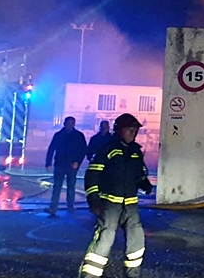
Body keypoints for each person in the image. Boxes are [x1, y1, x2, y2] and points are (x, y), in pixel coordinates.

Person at [80, 113, 154, 278]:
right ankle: (89, 276)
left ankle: (132, 274)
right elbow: (93, 174)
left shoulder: (135, 152)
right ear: (118, 130)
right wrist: (93, 198)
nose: (132, 133)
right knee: (105, 239)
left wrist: (145, 183)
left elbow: (139, 174)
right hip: (109, 204)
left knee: (137, 239)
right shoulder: (108, 149)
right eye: (129, 129)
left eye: (135, 130)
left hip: (130, 205)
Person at [45, 116, 87, 217]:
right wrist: (48, 163)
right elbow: (51, 149)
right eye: (68, 123)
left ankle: (68, 206)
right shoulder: (60, 135)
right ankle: (55, 207)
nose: (69, 125)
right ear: (64, 124)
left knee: (69, 186)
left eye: (71, 123)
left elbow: (83, 150)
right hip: (61, 164)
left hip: (70, 165)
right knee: (58, 186)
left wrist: (77, 162)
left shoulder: (77, 136)